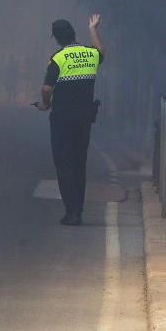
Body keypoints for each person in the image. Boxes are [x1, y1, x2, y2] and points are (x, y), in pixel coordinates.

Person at [36, 15, 104, 226]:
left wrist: (44, 103)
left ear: (57, 39)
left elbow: (47, 88)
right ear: (74, 33)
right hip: (84, 119)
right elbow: (101, 51)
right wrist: (93, 29)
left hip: (62, 119)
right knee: (79, 163)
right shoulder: (90, 55)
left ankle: (72, 212)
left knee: (64, 164)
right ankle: (79, 209)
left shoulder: (58, 59)